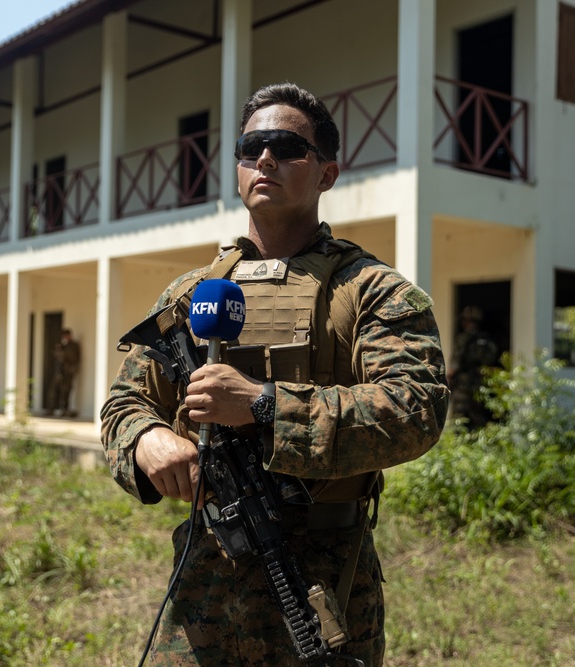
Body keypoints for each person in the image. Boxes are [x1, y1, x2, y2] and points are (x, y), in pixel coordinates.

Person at [99, 83, 450, 666]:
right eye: (251, 147)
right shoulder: (190, 296)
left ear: (327, 174)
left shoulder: (373, 290)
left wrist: (265, 404)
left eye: (287, 147)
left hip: (323, 586)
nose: (265, 160)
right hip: (206, 584)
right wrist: (145, 440)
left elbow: (415, 410)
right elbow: (122, 405)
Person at [448, 305, 499, 430]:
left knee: (458, 421)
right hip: (480, 385)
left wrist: (447, 381)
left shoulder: (463, 338)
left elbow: (454, 367)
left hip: (463, 387)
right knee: (478, 419)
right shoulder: (486, 339)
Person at [50, 328, 80, 417]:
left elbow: (72, 357)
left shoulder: (74, 345)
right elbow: (57, 356)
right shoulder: (61, 345)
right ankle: (52, 408)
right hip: (60, 371)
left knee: (66, 391)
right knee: (54, 390)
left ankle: (65, 409)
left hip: (68, 372)